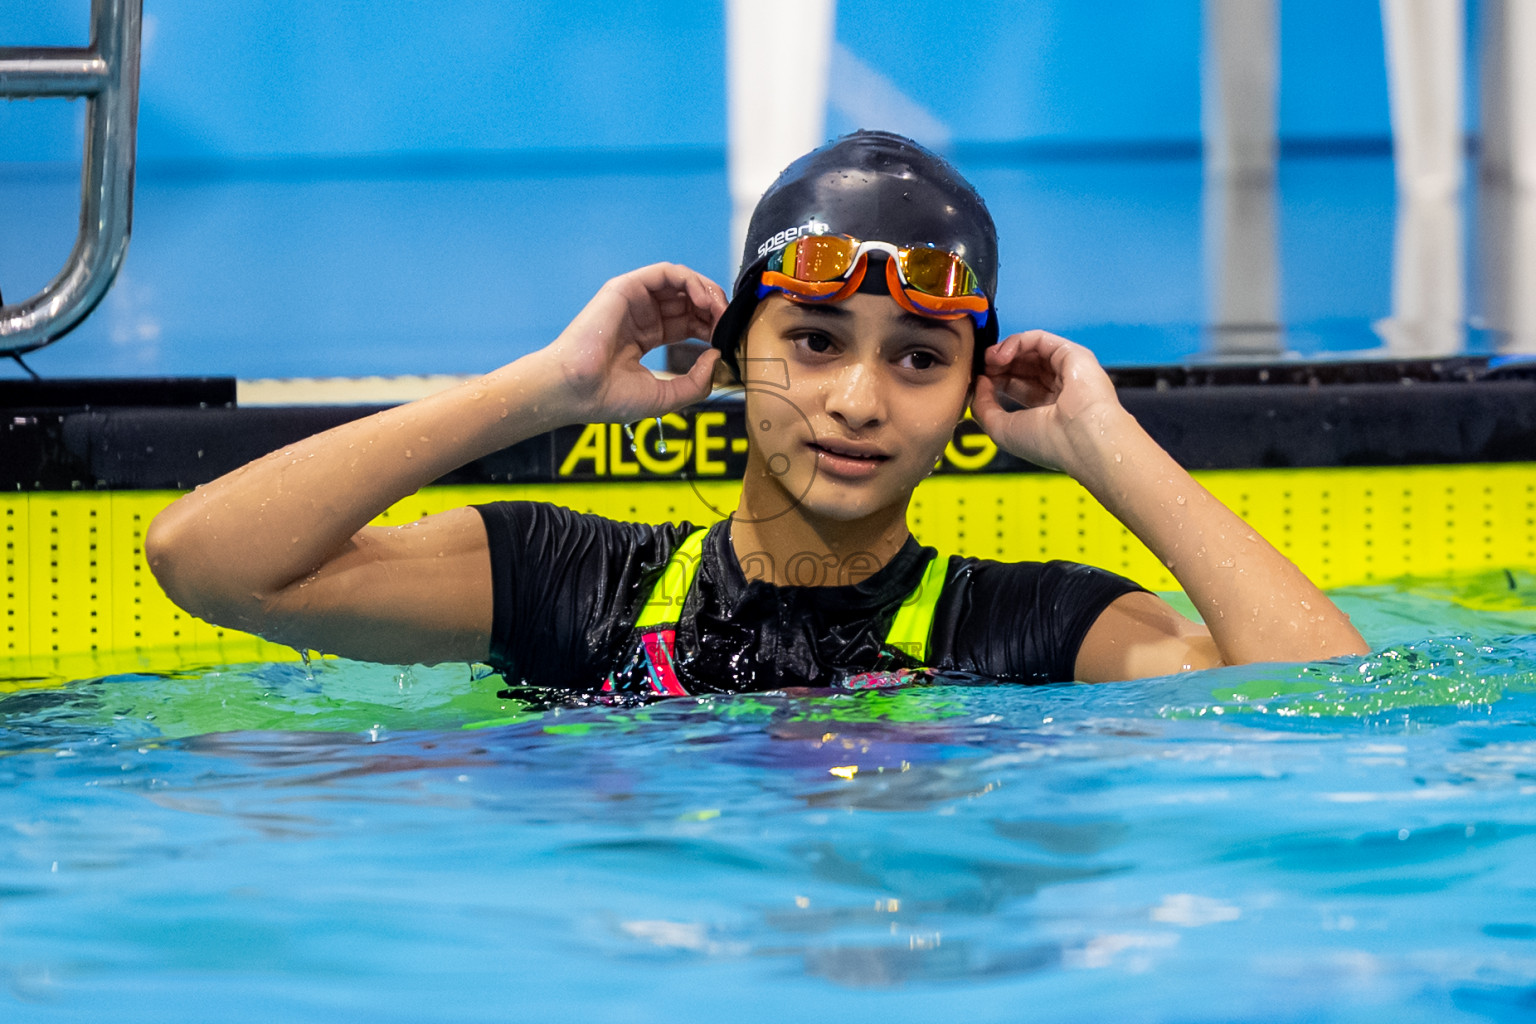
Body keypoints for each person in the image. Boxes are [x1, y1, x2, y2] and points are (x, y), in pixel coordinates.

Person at [146, 131, 1369, 696]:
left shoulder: (1026, 623)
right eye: (815, 341)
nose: (855, 399)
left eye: (917, 360)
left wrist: (1110, 448)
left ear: (965, 401)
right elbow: (202, 560)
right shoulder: (575, 584)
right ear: (732, 354)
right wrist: (544, 392)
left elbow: (1321, 705)